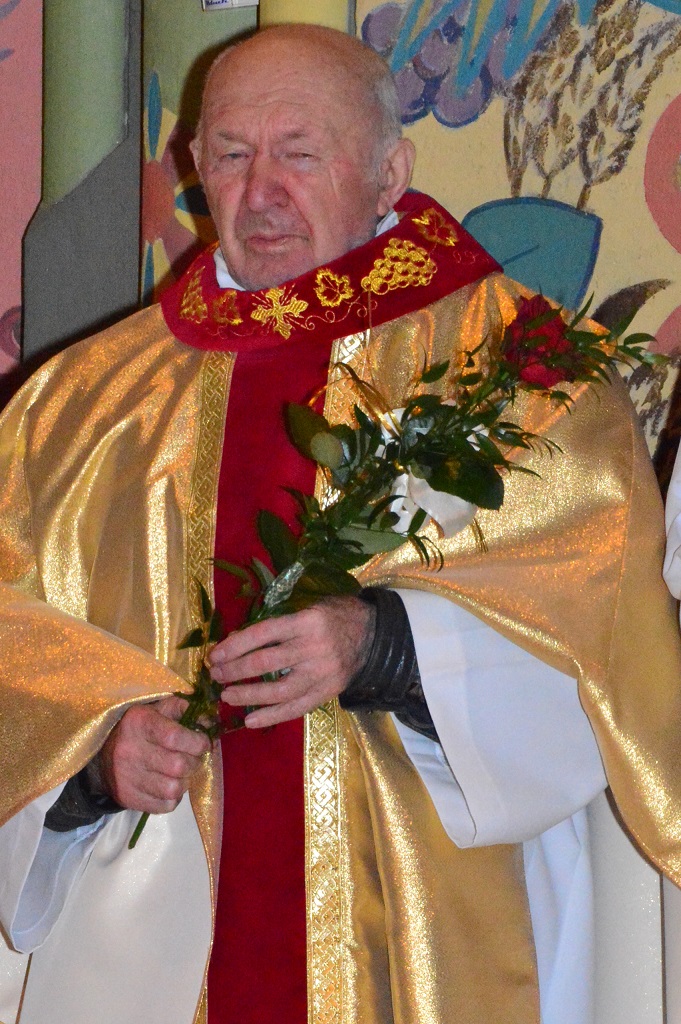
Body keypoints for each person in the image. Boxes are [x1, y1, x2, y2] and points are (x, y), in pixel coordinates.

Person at [0, 23, 680, 1024]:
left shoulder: (520, 372)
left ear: (389, 172)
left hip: (427, 920)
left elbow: (606, 623)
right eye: (231, 154)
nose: (260, 191)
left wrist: (388, 645)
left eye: (300, 153)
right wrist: (95, 753)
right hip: (146, 937)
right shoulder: (79, 405)